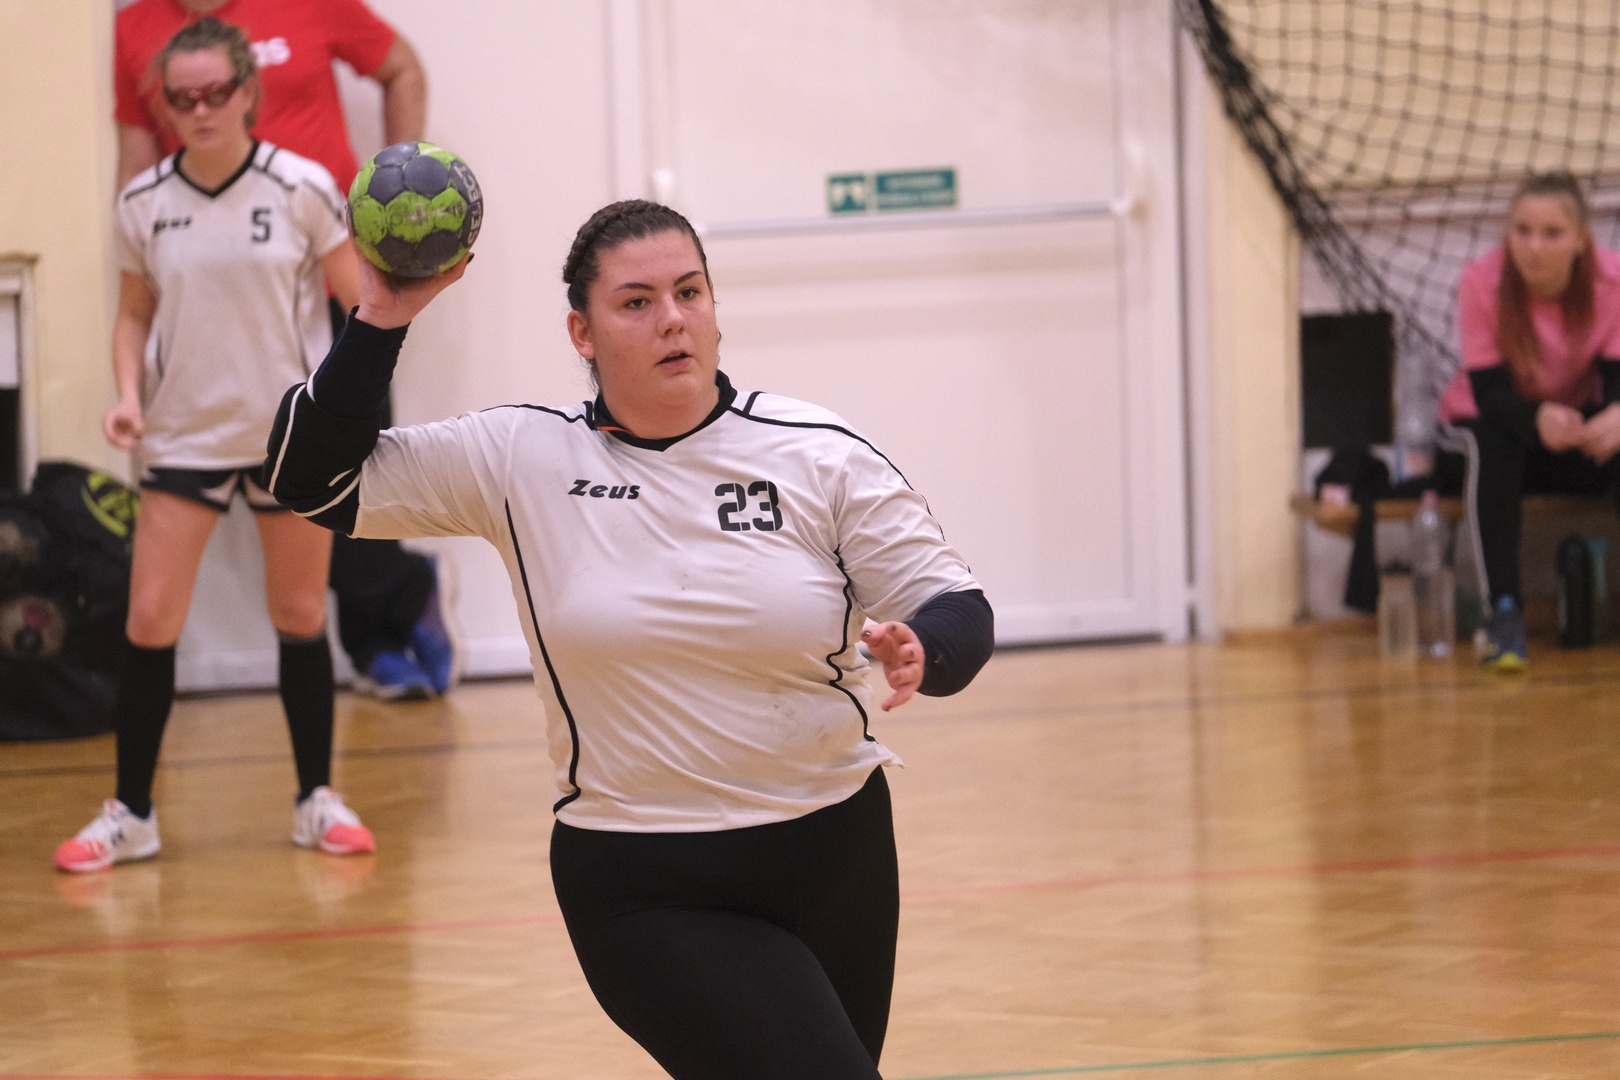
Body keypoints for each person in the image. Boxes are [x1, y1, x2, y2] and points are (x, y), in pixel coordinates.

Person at [264, 200, 996, 1078]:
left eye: (689, 292)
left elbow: (958, 605)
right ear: (583, 331)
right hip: (645, 880)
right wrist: (381, 317)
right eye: (637, 302)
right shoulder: (519, 457)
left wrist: (925, 648)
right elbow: (308, 477)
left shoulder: (817, 453)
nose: (672, 319)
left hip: (836, 856)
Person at [55, 19, 374, 874]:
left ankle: (316, 800)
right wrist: (129, 395)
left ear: (247, 93)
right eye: (181, 97)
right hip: (185, 433)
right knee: (149, 620)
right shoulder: (142, 202)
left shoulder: (302, 187)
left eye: (215, 93)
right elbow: (134, 314)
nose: (199, 109)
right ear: (164, 103)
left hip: (289, 438)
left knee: (300, 617)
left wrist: (345, 411)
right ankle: (133, 814)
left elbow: (361, 307)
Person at [115, 0, 458, 700]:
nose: (201, 106)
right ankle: (396, 602)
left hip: (324, 269)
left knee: (351, 475)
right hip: (216, 281)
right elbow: (137, 159)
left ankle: (381, 633)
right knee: (300, 488)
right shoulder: (136, 26)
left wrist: (401, 194)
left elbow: (402, 68)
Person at [1437, 171, 1620, 670]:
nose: (1534, 247)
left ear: (1581, 239)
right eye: (1522, 230)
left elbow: (1615, 382)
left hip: (1565, 428)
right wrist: (1536, 416)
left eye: (1552, 233)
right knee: (1492, 441)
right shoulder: (1482, 281)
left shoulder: (1611, 282)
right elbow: (1490, 394)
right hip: (1487, 424)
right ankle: (1502, 612)